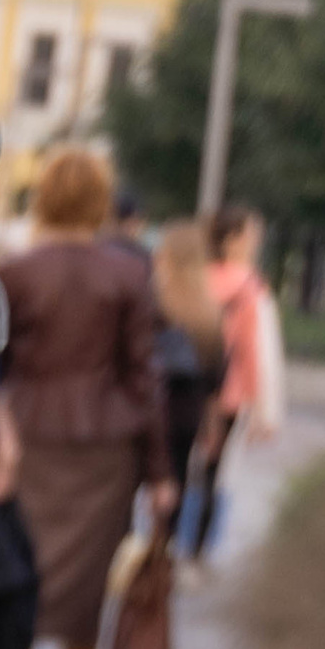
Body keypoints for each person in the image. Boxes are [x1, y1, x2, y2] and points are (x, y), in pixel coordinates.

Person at [0, 148, 171, 649]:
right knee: (84, 598)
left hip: (29, 444)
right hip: (103, 455)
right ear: (100, 203)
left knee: (22, 583)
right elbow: (145, 379)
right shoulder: (127, 277)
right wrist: (162, 473)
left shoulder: (13, 272)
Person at [184, 203, 286, 558]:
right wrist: (263, 409)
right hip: (226, 395)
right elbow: (253, 353)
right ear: (231, 239)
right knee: (214, 473)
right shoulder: (250, 287)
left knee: (182, 465)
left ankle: (163, 547)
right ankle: (195, 551)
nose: (257, 240)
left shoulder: (194, 278)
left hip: (184, 388)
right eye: (251, 233)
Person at [148, 217, 228, 521]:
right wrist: (212, 426)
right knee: (177, 481)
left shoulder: (153, 302)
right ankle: (161, 550)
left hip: (150, 408)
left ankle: (130, 551)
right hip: (187, 413)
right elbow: (215, 378)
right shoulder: (211, 312)